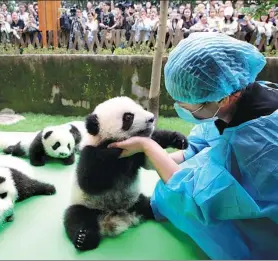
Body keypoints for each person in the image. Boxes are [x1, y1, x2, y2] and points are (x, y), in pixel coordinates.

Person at [108, 32, 278, 259]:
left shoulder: (255, 145)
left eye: (186, 101)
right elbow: (206, 139)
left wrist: (148, 147)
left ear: (222, 98)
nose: (179, 104)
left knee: (175, 199)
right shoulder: (245, 92)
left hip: (268, 228)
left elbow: (193, 194)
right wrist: (167, 159)